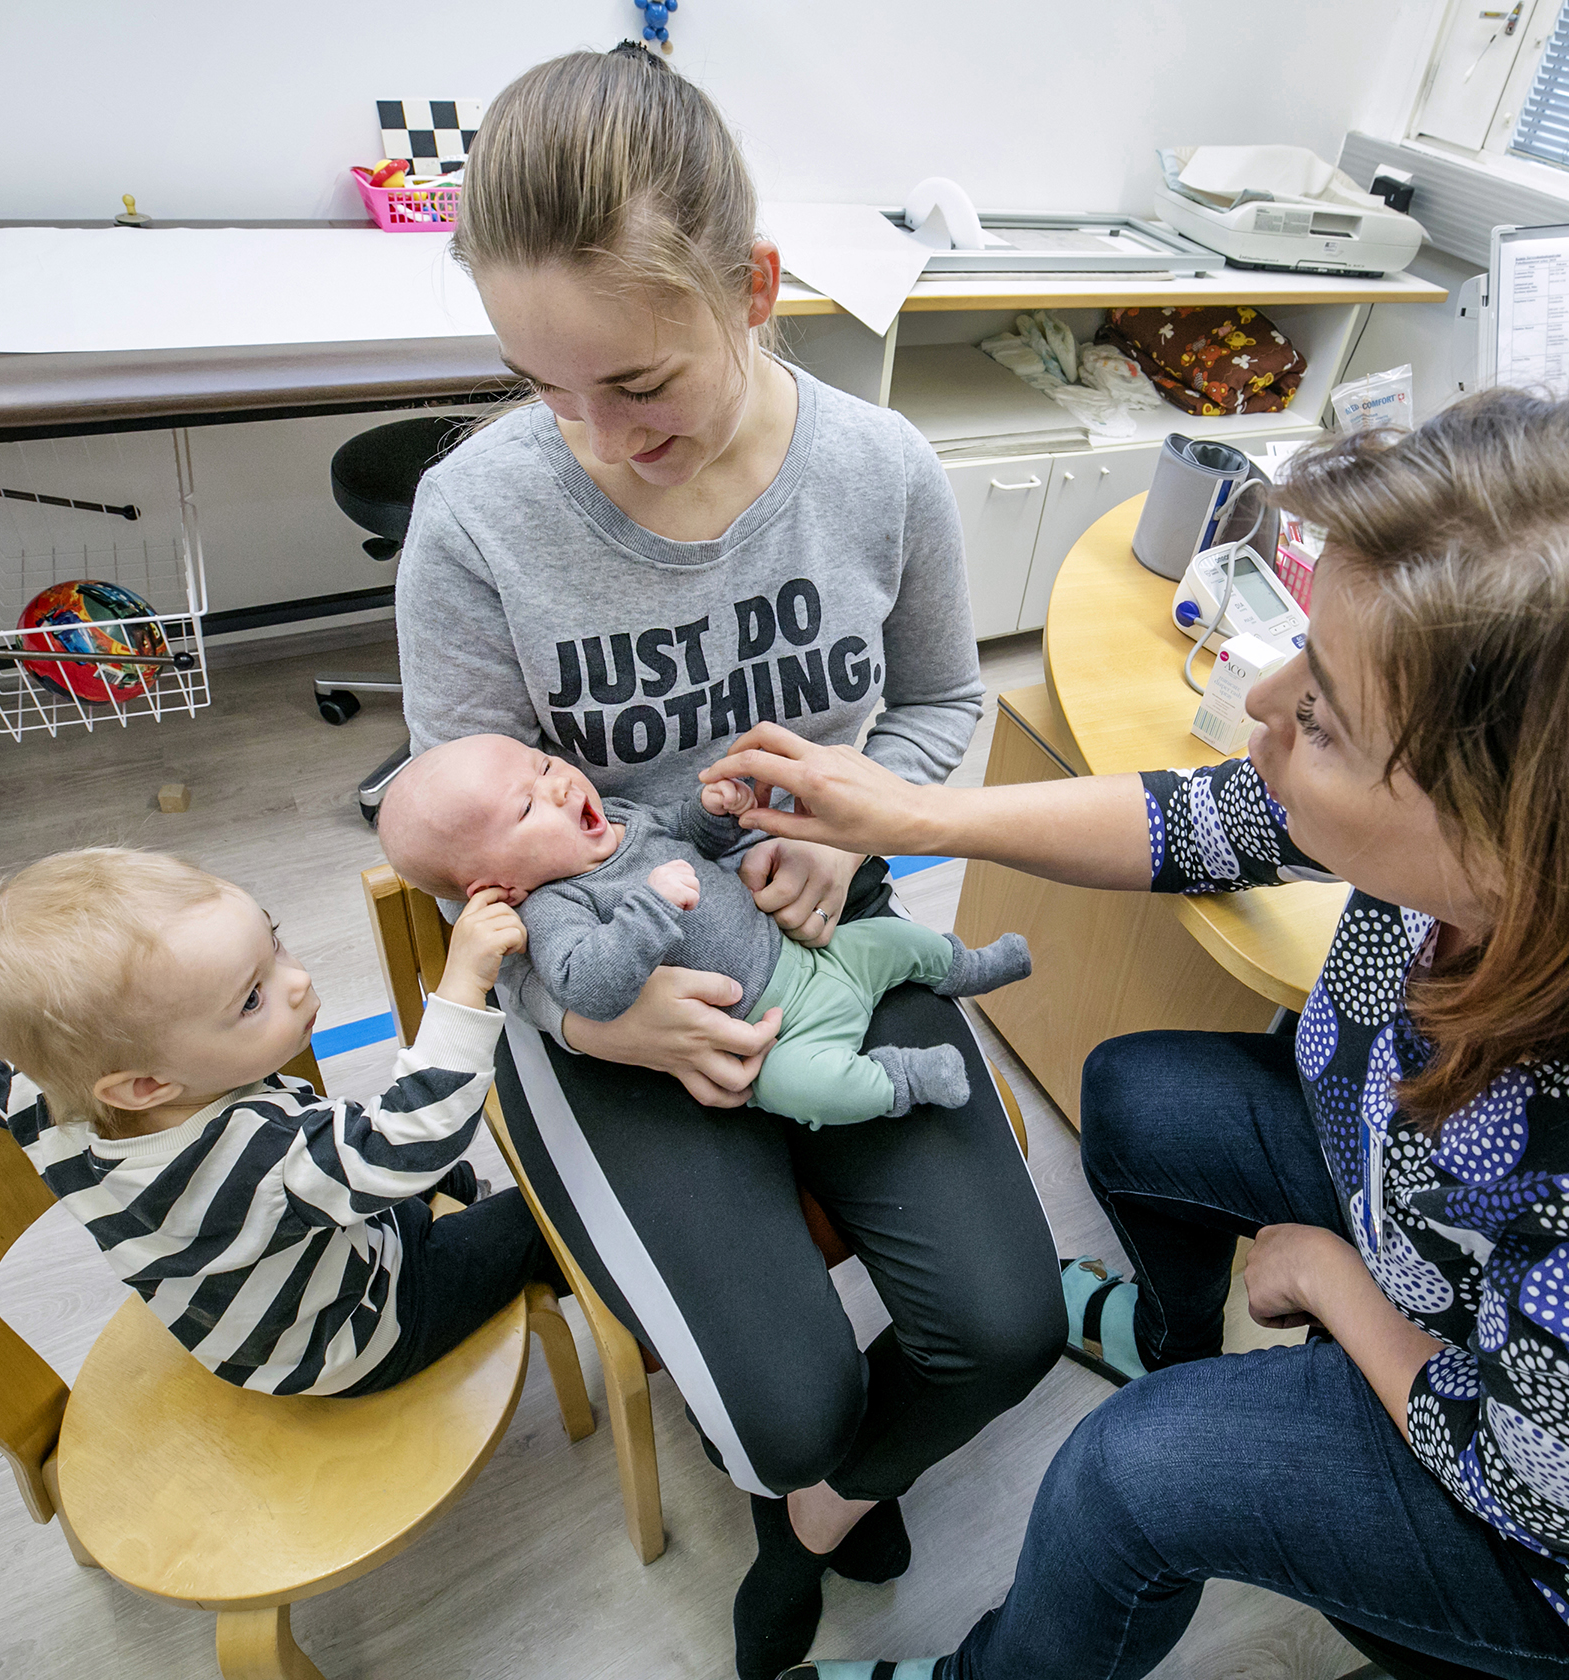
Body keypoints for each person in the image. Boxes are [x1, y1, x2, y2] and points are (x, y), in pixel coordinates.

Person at [704, 391, 1569, 1680]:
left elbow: (1537, 1479)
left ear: (1529, 836)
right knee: (1136, 1094)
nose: (1267, 704)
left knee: (1134, 1475)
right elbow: (1208, 819)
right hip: (1454, 1223)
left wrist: (1334, 1280)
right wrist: (910, 817)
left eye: (1323, 713)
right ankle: (1174, 1333)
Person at [391, 43, 1063, 1678]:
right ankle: (807, 1474)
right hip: (603, 964)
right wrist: (578, 1009)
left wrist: (858, 828)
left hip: (829, 918)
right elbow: (459, 847)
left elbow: (940, 702)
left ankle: (821, 1513)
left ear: (753, 289)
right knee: (779, 1400)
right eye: (542, 387)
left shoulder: (878, 472)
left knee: (1008, 1330)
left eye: (636, 382)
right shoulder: (475, 522)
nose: (598, 439)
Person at [0, 847, 558, 1397]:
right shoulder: (262, 1157)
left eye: (275, 940)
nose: (298, 981)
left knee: (404, 1186)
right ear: (147, 1085)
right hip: (354, 1335)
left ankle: (447, 1207)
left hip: (247, 1311)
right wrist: (461, 986)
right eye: (251, 998)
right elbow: (415, 1139)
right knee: (551, 1216)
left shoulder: (23, 1086)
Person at [375, 733, 1033, 1126]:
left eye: (545, 766)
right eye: (525, 808)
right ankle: (904, 1082)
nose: (557, 787)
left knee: (896, 945)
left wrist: (717, 813)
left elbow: (683, 836)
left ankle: (966, 967)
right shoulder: (551, 909)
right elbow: (591, 988)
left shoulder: (623, 816)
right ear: (499, 887)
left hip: (810, 956)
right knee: (802, 1090)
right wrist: (650, 910)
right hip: (775, 1037)